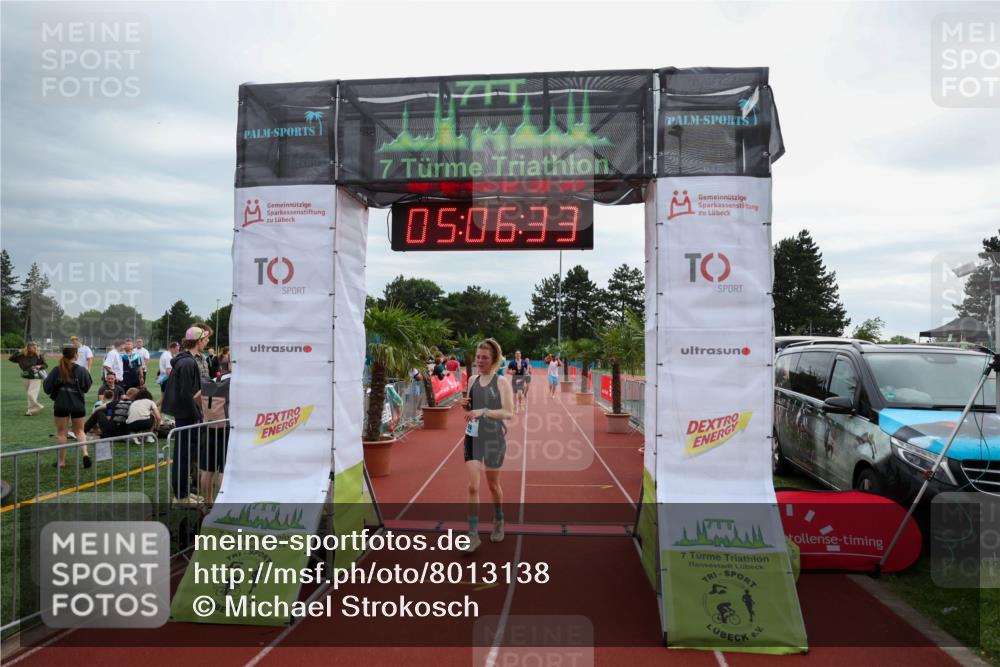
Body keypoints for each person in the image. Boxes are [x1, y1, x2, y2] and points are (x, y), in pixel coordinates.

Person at [460, 338, 514, 553]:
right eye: (478, 357)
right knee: (472, 486)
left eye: (484, 358)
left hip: (494, 438)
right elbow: (469, 407)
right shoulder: (472, 379)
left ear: (493, 360)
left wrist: (482, 412)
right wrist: (466, 405)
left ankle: (499, 518)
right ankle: (473, 535)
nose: (479, 361)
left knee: (493, 486)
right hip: (472, 437)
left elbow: (509, 412)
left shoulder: (501, 382)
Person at [162, 326, 211, 506]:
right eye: (204, 340)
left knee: (185, 455)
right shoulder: (188, 362)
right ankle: (181, 496)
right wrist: (198, 414)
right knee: (183, 456)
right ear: (198, 341)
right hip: (187, 414)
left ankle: (183, 492)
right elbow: (187, 394)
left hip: (184, 413)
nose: (206, 343)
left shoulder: (185, 360)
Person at [43, 344, 93, 468]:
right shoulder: (82, 370)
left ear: (63, 354)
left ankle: (61, 462)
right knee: (80, 431)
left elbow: (47, 388)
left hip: (61, 405)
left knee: (61, 433)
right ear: (75, 355)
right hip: (78, 405)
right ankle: (85, 453)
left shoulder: (56, 370)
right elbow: (87, 387)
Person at [9, 342, 48, 416]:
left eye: (36, 347)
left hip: (36, 377)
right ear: (28, 348)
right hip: (25, 376)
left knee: (31, 394)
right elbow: (11, 359)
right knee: (29, 395)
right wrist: (17, 351)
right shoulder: (21, 356)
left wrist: (39, 366)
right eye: (33, 347)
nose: (35, 349)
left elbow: (45, 365)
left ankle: (38, 407)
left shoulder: (39, 356)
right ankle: (30, 411)